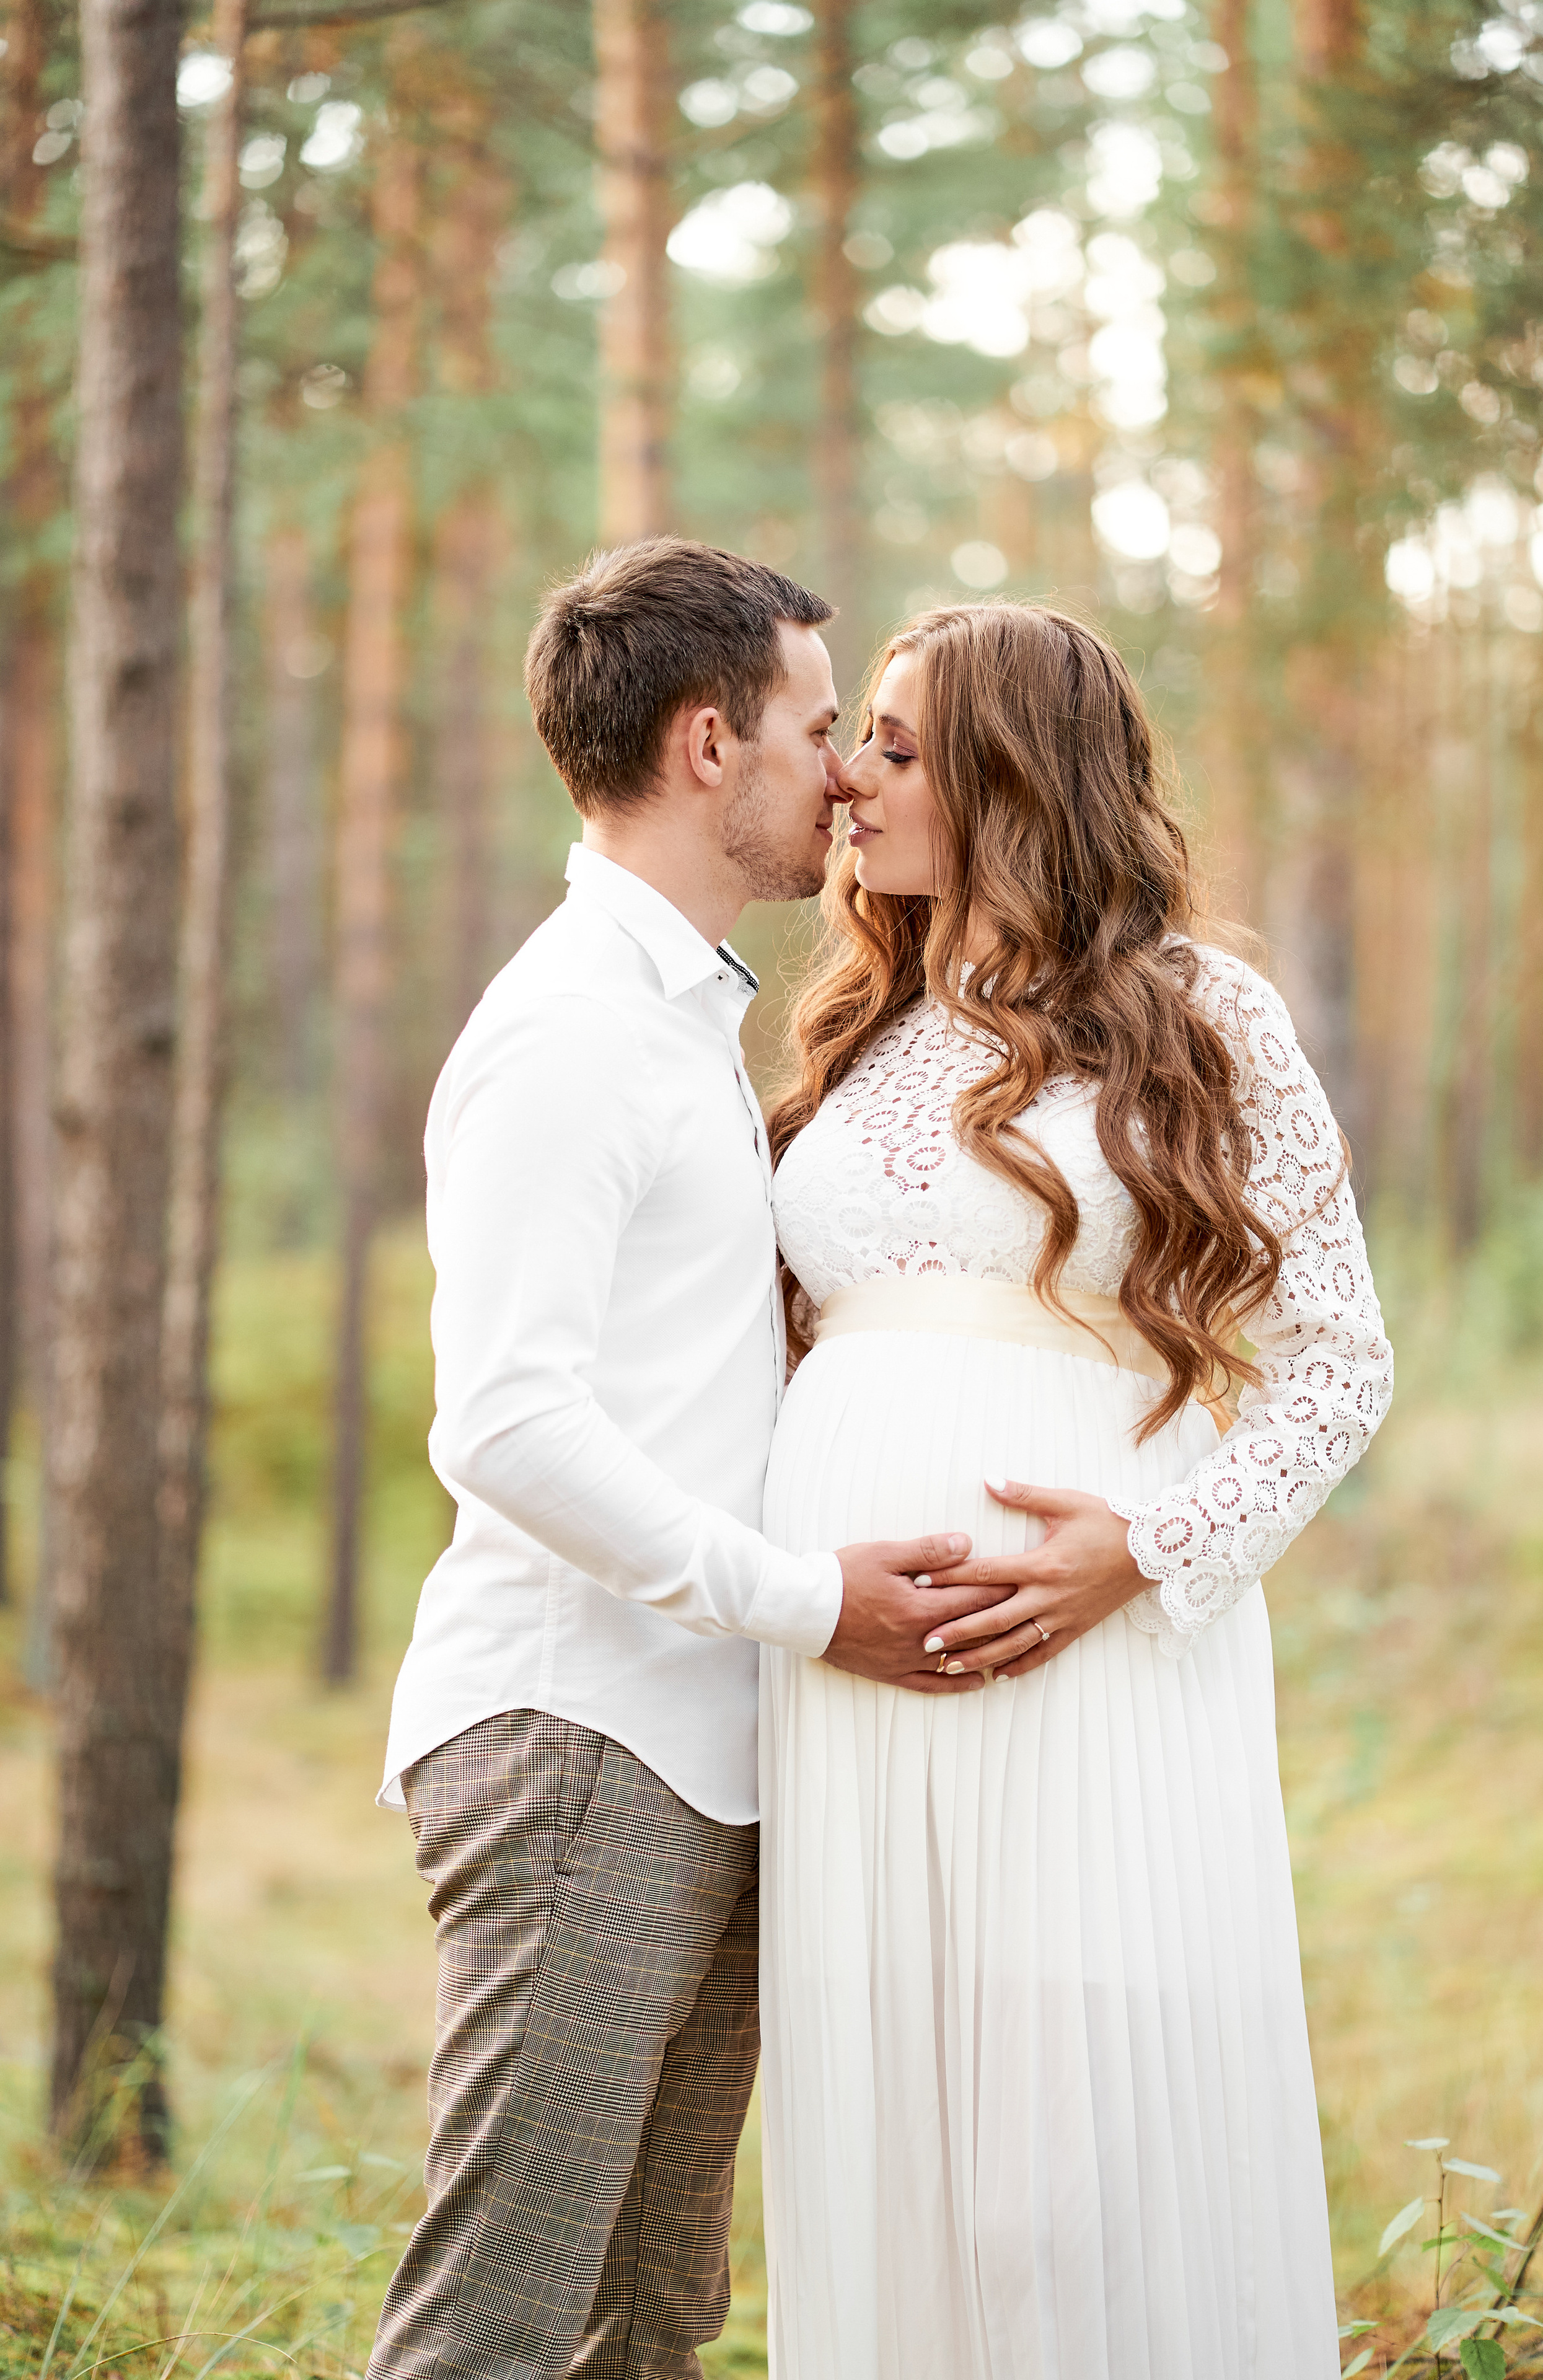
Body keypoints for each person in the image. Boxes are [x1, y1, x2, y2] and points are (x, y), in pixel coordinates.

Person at [366, 539, 1006, 2380]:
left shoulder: (677, 1017)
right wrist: (803, 1601)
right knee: (499, 2320)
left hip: (703, 1744)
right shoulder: (572, 1029)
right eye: (823, 728)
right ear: (709, 743)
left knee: (648, 2325)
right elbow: (504, 1421)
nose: (850, 774)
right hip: (583, 1736)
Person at [759, 600, 1394, 2380]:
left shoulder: (1200, 1013)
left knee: (1066, 2169)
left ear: (1014, 777)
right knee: (889, 2127)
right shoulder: (862, 1022)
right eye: (856, 737)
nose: (849, 778)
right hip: (845, 1666)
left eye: (895, 744)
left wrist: (1152, 1550)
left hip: (1094, 1653)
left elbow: (1341, 1360)